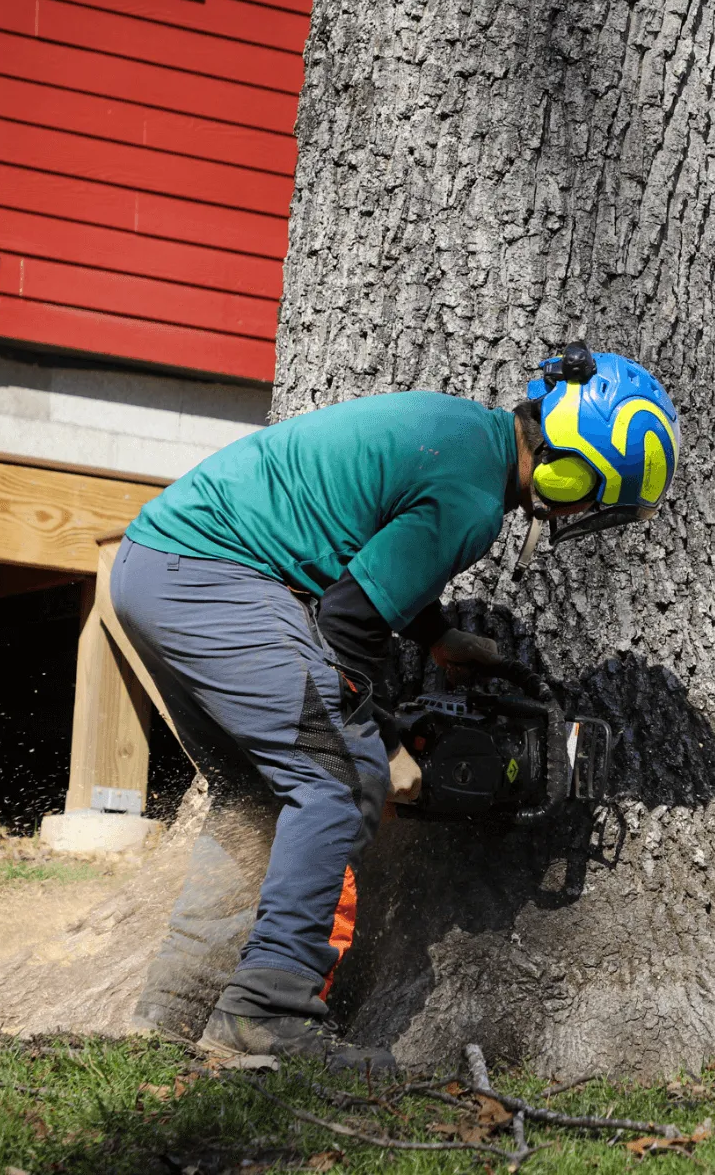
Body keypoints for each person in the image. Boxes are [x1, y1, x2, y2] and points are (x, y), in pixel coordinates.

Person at [110, 342, 679, 1070]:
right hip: (214, 581)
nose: (586, 509)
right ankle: (265, 1013)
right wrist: (381, 744)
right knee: (340, 779)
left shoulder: (461, 434)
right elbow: (347, 624)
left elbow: (365, 560)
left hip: (153, 569)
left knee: (258, 798)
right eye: (592, 492)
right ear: (566, 463)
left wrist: (435, 636)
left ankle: (175, 1006)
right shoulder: (474, 499)